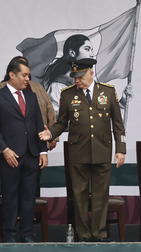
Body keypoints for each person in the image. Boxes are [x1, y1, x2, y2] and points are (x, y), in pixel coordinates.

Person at [38, 58, 126, 242]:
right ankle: (84, 235)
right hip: (78, 152)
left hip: (102, 150)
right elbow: (61, 122)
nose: (76, 80)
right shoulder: (67, 94)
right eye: (74, 77)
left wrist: (121, 149)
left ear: (91, 73)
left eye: (80, 76)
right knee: (79, 196)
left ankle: (99, 234)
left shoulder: (108, 92)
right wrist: (51, 133)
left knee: (101, 195)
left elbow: (118, 123)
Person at [0, 58, 48, 243]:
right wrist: (4, 149)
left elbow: (39, 126)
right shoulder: (0, 95)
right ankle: (10, 236)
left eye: (29, 75)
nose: (27, 78)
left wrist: (43, 151)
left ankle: (27, 235)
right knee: (10, 197)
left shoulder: (31, 96)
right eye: (24, 75)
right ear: (12, 75)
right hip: (10, 156)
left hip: (31, 155)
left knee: (29, 198)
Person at [0, 56, 58, 151]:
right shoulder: (2, 89)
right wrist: (4, 148)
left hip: (37, 141)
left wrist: (53, 136)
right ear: (12, 73)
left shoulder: (37, 87)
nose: (26, 77)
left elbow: (50, 111)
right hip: (11, 145)